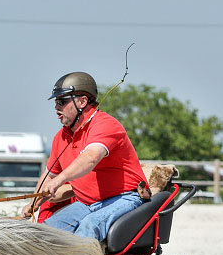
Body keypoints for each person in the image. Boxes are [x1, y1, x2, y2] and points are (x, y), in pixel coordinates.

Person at [21, 72, 147, 242]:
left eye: (62, 101)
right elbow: (49, 174)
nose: (56, 107)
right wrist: (33, 204)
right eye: (56, 102)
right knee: (45, 234)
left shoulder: (106, 124)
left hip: (124, 198)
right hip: (88, 203)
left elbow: (91, 157)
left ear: (82, 101)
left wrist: (60, 180)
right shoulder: (61, 137)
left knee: (89, 225)